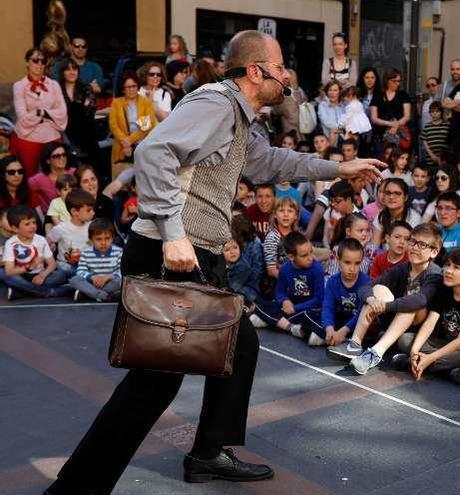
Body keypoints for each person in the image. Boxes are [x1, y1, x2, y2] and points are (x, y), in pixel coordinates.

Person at [46, 30, 383, 494]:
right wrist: (175, 234)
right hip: (172, 253)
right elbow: (153, 153)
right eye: (280, 66)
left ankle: (208, 452)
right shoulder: (218, 103)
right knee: (154, 385)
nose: (286, 75)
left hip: (195, 256)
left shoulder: (242, 117)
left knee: (238, 345)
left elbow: (267, 164)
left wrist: (336, 168)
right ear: (255, 71)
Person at [329, 223, 443, 372]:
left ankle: (375, 353)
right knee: (378, 289)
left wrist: (386, 306)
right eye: (412, 241)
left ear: (434, 252)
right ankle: (355, 344)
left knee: (411, 305)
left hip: (417, 329)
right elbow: (365, 287)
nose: (414, 247)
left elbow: (421, 300)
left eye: (422, 245)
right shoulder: (403, 268)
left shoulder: (435, 274)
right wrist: (371, 300)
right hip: (396, 321)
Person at [394, 247, 460, 379]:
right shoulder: (443, 289)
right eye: (447, 265)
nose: (448, 271)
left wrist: (430, 358)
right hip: (439, 342)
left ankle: (416, 364)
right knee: (405, 339)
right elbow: (430, 323)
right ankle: (449, 371)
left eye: (456, 267)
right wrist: (414, 351)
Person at [11, 48, 67, 177]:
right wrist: (48, 116)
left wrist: (40, 112)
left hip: (52, 138)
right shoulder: (18, 86)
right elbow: (23, 118)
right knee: (29, 178)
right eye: (35, 60)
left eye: (43, 61)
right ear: (27, 62)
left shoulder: (54, 85)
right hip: (28, 139)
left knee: (57, 177)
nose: (39, 64)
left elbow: (62, 113)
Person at [0, 205, 69, 298]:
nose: (32, 226)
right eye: (27, 224)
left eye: (34, 223)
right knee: (6, 275)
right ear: (15, 228)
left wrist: (42, 275)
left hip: (39, 275)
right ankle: (51, 292)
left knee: (61, 275)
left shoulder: (41, 240)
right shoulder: (10, 243)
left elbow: (52, 263)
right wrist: (29, 267)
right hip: (21, 275)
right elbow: (9, 271)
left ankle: (21, 291)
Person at [69, 218, 123, 302]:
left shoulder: (118, 251)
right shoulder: (86, 252)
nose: (103, 243)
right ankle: (105, 296)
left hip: (109, 283)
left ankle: (89, 294)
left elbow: (122, 271)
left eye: (107, 238)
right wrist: (92, 277)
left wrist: (108, 277)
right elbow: (80, 271)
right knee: (75, 279)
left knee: (120, 281)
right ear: (91, 240)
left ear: (112, 238)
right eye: (98, 239)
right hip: (92, 283)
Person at [109, 72, 157, 166]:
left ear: (137, 86)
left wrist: (130, 140)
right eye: (128, 87)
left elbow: (147, 126)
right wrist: (124, 142)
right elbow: (113, 125)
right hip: (121, 146)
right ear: (123, 89)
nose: (131, 89)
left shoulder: (145, 102)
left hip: (141, 146)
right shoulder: (116, 103)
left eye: (134, 86)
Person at [46, 188, 94, 279]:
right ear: (74, 211)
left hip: (85, 267)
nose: (93, 213)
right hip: (64, 267)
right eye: (88, 210)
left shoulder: (92, 226)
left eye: (92, 210)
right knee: (56, 278)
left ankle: (69, 288)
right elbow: (45, 243)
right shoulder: (61, 228)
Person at [58, 57, 98, 158]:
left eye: (74, 69)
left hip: (87, 136)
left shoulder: (86, 88)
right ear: (62, 72)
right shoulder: (57, 90)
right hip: (66, 135)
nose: (72, 72)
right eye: (68, 69)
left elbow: (90, 111)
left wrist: (74, 109)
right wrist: (81, 106)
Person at [370, 68, 411, 155]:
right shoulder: (378, 95)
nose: (397, 83)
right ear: (387, 80)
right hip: (380, 135)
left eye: (399, 81)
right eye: (394, 81)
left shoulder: (403, 95)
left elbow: (407, 116)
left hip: (399, 134)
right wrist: (390, 124)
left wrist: (397, 125)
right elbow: (374, 118)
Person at [27, 143, 75, 213]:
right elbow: (24, 187)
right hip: (52, 218)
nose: (62, 158)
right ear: (48, 160)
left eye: (64, 155)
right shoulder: (39, 179)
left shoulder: (75, 172)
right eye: (56, 156)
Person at [272, 68, 308, 137]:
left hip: (289, 123)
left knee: (291, 142)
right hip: (302, 120)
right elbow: (305, 100)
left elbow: (277, 110)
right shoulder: (300, 90)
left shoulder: (286, 92)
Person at [420, 101, 450, 167]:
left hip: (444, 159)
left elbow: (448, 142)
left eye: (437, 111)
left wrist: (441, 157)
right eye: (432, 112)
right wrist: (432, 155)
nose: (434, 114)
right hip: (430, 159)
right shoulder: (427, 126)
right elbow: (425, 142)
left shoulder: (446, 126)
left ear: (441, 112)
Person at [318, 80, 346, 145]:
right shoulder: (322, 105)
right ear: (327, 92)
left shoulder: (343, 105)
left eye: (335, 90)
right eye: (330, 90)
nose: (332, 93)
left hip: (343, 135)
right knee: (333, 131)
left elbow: (346, 121)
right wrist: (339, 130)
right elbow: (327, 123)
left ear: (339, 92)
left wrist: (339, 130)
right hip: (328, 136)